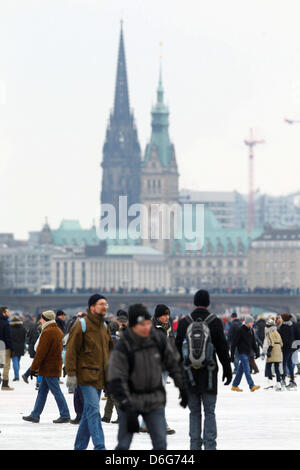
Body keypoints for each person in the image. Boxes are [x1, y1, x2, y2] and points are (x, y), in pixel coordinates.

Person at [107, 303, 188, 450]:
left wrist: (182, 387)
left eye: (146, 323)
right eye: (140, 324)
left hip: (153, 400)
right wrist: (124, 403)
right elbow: (114, 376)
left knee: (160, 444)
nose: (145, 327)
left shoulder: (158, 339)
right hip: (130, 401)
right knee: (124, 444)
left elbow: (173, 363)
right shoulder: (124, 345)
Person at [175, 289, 232, 450]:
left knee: (194, 413)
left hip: (189, 374)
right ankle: (210, 446)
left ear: (194, 302)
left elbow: (177, 348)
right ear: (208, 303)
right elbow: (222, 347)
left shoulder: (185, 321)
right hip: (209, 374)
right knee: (209, 412)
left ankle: (194, 446)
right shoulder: (215, 321)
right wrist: (227, 368)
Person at [65, 294, 113, 450]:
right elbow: (71, 350)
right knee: (93, 410)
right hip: (85, 376)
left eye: (106, 304)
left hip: (99, 377)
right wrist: (71, 374)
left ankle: (79, 447)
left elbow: (109, 352)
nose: (105, 306)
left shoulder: (105, 327)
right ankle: (100, 447)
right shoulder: (82, 325)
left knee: (87, 413)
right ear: (92, 307)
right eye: (101, 304)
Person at [22, 310, 70, 423]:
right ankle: (35, 414)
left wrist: (32, 370)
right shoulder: (57, 330)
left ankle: (65, 414)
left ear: (45, 319)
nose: (40, 320)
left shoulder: (48, 331)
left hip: (49, 367)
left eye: (41, 318)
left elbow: (41, 353)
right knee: (42, 392)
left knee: (56, 392)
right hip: (52, 366)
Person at [140, 304, 176, 435]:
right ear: (158, 315)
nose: (167, 317)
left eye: (168, 314)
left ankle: (144, 425)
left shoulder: (168, 328)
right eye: (164, 315)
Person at [230, 315, 260, 392]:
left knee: (240, 370)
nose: (253, 323)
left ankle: (234, 385)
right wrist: (232, 355)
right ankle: (251, 385)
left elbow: (253, 342)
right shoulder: (240, 330)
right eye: (251, 322)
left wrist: (257, 351)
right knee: (247, 369)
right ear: (248, 322)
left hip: (248, 352)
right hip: (242, 352)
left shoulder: (251, 330)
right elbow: (234, 343)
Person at [263, 317, 283, 391]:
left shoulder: (269, 332)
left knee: (268, 367)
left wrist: (268, 351)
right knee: (277, 368)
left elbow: (271, 343)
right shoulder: (277, 333)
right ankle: (278, 384)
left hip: (272, 350)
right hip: (278, 351)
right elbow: (281, 343)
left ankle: (270, 384)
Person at [278, 313, 297, 390]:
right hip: (290, 348)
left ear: (283, 319)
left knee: (284, 364)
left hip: (285, 348)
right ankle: (292, 380)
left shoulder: (284, 327)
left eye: (281, 318)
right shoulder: (291, 326)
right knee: (289, 364)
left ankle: (283, 380)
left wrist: (281, 346)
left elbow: (284, 339)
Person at [0, 306, 14, 390]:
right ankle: (5, 384)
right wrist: (12, 348)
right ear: (3, 313)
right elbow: (8, 337)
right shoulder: (5, 323)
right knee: (6, 365)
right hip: (5, 347)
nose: (9, 313)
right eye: (8, 312)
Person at [10, 314, 26, 381]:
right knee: (18, 361)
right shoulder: (22, 328)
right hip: (21, 346)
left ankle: (16, 376)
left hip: (13, 346)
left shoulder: (10, 328)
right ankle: (17, 374)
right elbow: (25, 337)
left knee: (15, 361)